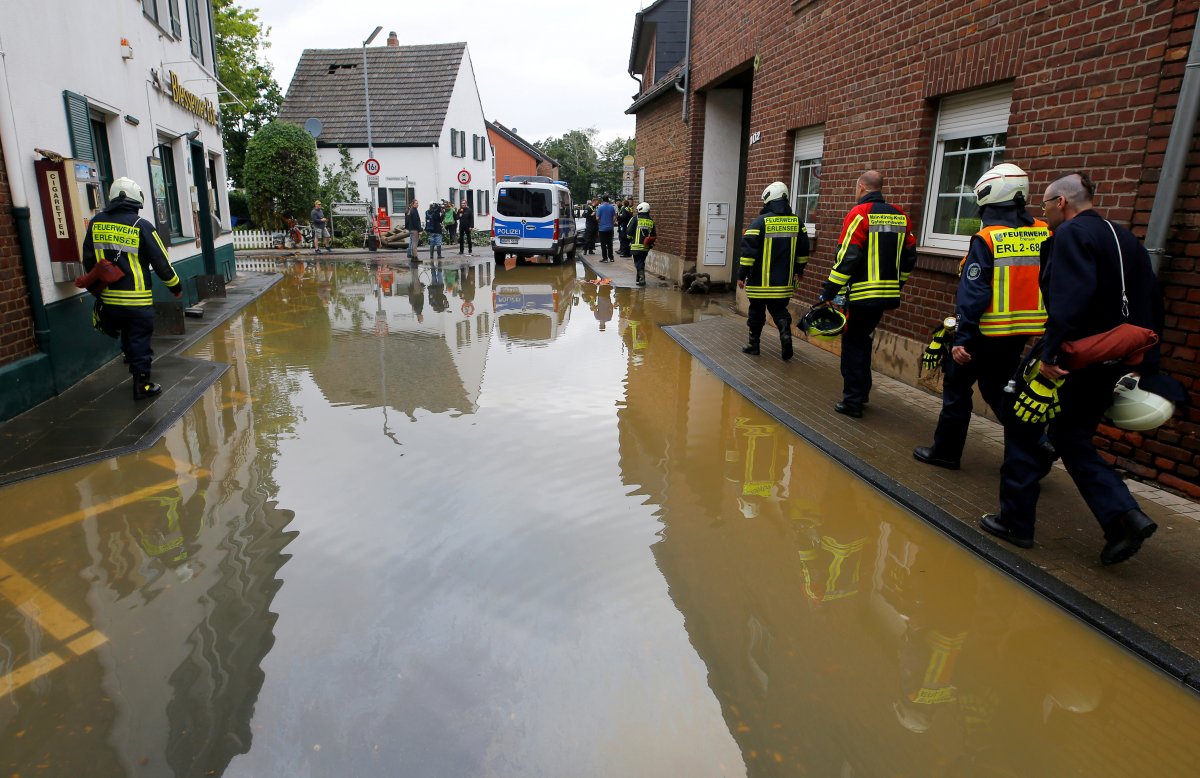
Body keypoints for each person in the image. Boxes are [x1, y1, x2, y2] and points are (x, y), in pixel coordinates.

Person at [982, 172, 1164, 565]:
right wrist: (1141, 362)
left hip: (1070, 357)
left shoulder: (1069, 236)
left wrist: (1050, 356)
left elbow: (1069, 300)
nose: (1042, 212)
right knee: (1071, 436)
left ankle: (1015, 522)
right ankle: (1124, 518)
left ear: (1062, 202)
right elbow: (1152, 299)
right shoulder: (1126, 238)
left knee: (1021, 421)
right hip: (1111, 359)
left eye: (1046, 204)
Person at [913, 163, 1050, 470]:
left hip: (982, 334)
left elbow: (974, 295)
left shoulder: (987, 239)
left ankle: (945, 453)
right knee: (999, 389)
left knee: (957, 392)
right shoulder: (1044, 233)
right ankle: (1037, 444)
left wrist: (962, 339)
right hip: (1021, 333)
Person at [818, 170, 917, 418]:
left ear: (862, 187)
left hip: (862, 295)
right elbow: (909, 257)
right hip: (886, 295)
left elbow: (848, 256)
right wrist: (898, 284)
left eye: (855, 187)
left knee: (853, 344)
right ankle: (861, 393)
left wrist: (829, 291)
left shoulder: (859, 214)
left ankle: (853, 401)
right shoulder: (900, 216)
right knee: (863, 340)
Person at [80, 176, 183, 399]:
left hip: (109, 300)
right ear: (136, 201)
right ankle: (142, 384)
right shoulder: (142, 226)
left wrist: (99, 286)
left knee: (127, 335)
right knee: (139, 339)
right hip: (137, 300)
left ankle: (130, 357)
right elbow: (161, 263)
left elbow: (88, 259)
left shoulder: (96, 223)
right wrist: (175, 286)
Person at [738, 181, 809, 361]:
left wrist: (741, 275)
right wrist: (799, 270)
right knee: (779, 310)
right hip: (783, 283)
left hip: (759, 282)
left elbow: (747, 254)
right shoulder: (798, 223)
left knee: (756, 312)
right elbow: (802, 252)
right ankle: (785, 334)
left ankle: (753, 345)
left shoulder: (759, 223)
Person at [626, 201, 656, 286]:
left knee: (637, 262)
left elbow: (629, 231)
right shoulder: (651, 221)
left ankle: (642, 277)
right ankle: (638, 278)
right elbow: (653, 235)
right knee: (641, 261)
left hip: (635, 245)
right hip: (646, 246)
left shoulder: (635, 218)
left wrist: (629, 238)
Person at [596, 195, 617, 262]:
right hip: (610, 228)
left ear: (602, 200)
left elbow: (597, 218)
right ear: (608, 200)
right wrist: (612, 223)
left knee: (603, 244)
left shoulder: (600, 207)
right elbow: (614, 217)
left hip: (602, 229)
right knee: (610, 243)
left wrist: (600, 222)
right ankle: (611, 258)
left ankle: (605, 258)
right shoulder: (611, 207)